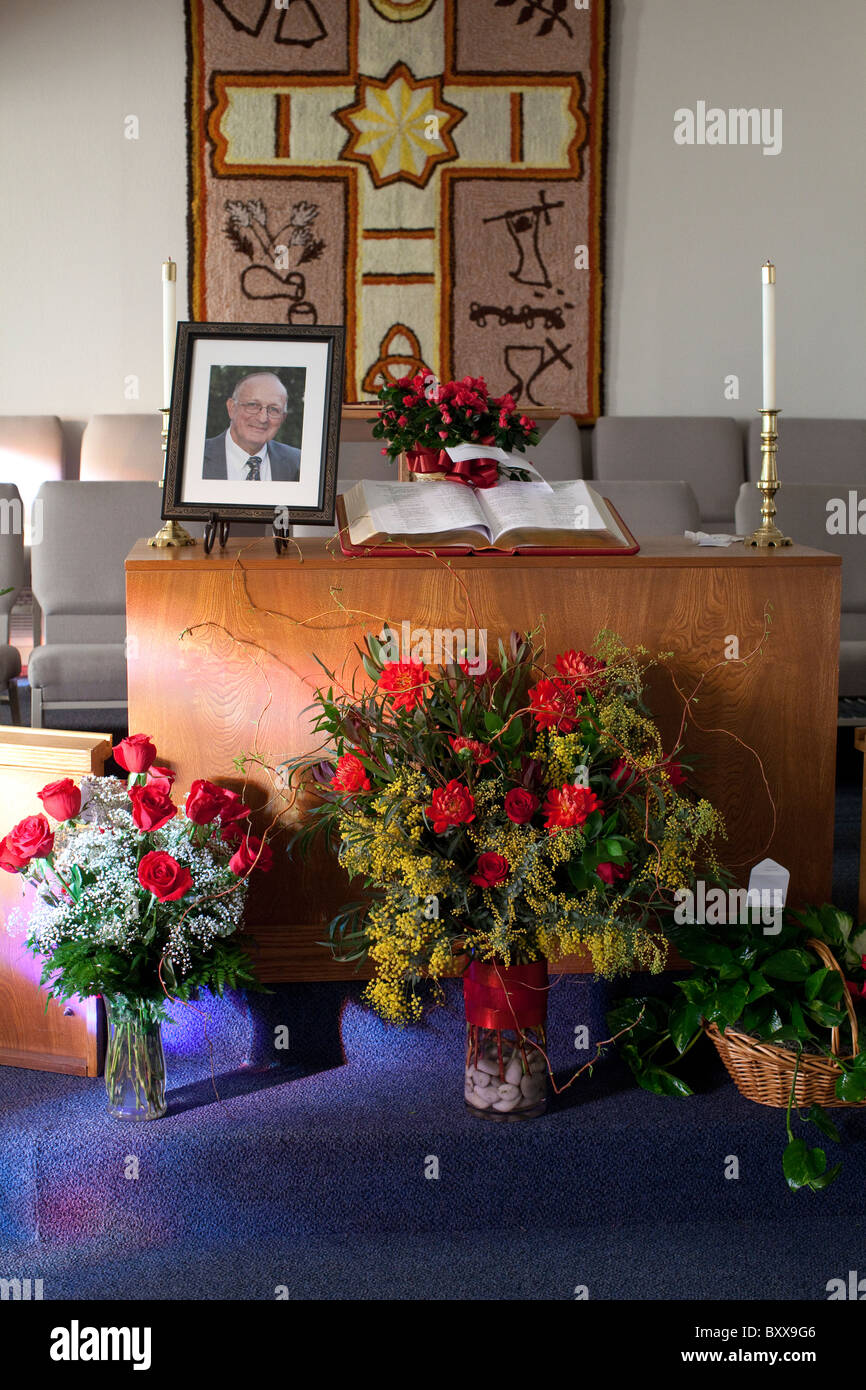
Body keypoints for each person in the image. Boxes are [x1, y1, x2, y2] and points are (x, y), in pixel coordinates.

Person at [202, 371, 301, 481]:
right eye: (253, 405)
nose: (262, 418)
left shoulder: (298, 463)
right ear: (231, 408)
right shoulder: (195, 456)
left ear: (283, 418)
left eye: (274, 409)